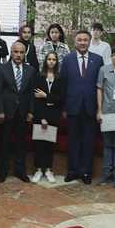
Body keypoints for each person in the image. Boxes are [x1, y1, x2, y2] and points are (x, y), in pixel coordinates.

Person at [63, 30, 103, 183]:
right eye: (79, 40)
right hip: (72, 106)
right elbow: (63, 84)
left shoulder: (98, 60)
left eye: (85, 40)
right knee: (72, 141)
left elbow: (100, 85)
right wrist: (64, 107)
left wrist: (99, 108)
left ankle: (86, 172)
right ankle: (73, 170)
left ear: (89, 42)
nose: (82, 43)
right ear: (75, 42)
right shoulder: (67, 60)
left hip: (90, 107)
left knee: (88, 141)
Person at [0, 41, 34, 183]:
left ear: (24, 54)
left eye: (21, 52)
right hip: (6, 112)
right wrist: (0, 110)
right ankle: (3, 170)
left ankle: (20, 170)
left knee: (21, 144)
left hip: (23, 112)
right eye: (16, 52)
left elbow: (31, 93)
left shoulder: (31, 70)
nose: (18, 55)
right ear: (11, 52)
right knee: (5, 143)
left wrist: (31, 111)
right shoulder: (1, 68)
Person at [95, 45, 115, 187]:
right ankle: (107, 173)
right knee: (108, 144)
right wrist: (99, 110)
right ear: (111, 56)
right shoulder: (103, 70)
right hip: (107, 113)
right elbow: (99, 90)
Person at [29, 51, 65, 183]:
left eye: (53, 60)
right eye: (49, 59)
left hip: (53, 115)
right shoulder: (38, 76)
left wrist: (46, 96)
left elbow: (61, 98)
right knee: (39, 145)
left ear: (56, 62)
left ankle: (48, 171)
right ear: (45, 61)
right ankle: (38, 171)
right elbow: (36, 99)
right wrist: (41, 118)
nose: (51, 62)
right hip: (40, 115)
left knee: (50, 145)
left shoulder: (60, 78)